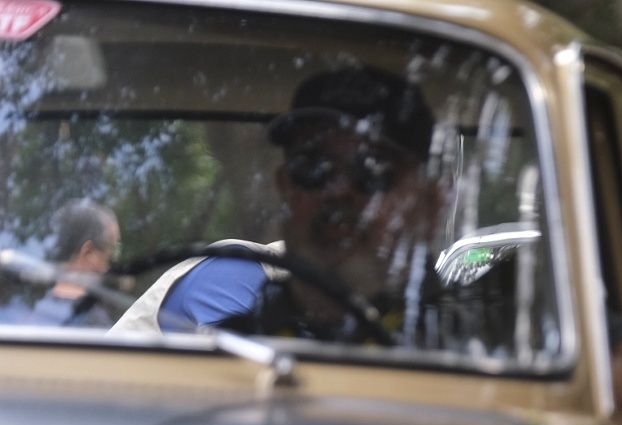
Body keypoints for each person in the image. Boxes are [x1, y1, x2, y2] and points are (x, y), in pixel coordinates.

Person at [114, 64, 443, 342]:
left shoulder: (459, 336)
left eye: (373, 170)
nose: (338, 191)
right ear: (285, 187)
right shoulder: (237, 275)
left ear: (430, 206)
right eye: (313, 167)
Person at [13, 200, 120, 328]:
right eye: (113, 251)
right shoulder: (96, 327)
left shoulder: (30, 314)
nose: (109, 267)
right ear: (89, 253)